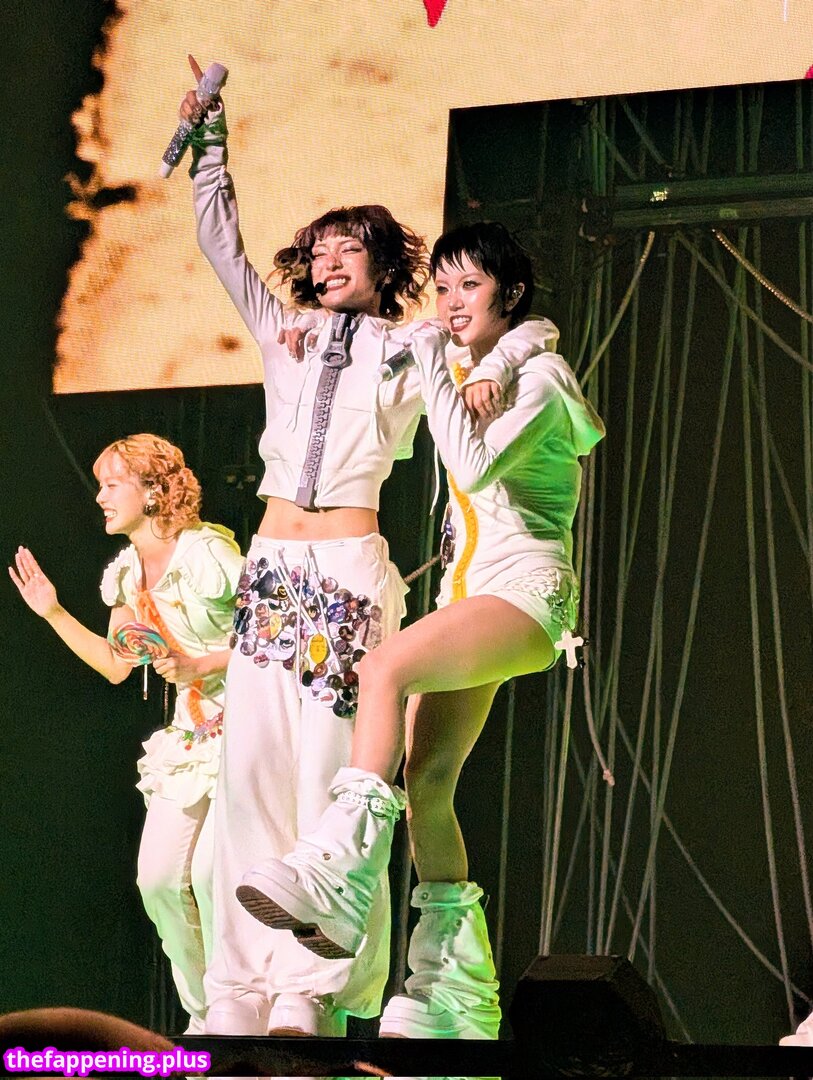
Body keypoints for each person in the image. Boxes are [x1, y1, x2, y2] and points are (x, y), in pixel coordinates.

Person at [236, 221, 605, 1040]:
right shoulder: (480, 364)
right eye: (440, 288)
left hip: (526, 593)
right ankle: (453, 992)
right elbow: (381, 350)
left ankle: (338, 870)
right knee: (427, 783)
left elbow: (472, 464)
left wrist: (452, 358)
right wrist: (310, 334)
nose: (448, 303)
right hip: (468, 593)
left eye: (469, 286)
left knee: (382, 668)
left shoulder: (541, 379)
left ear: (508, 294)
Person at [9, 434, 243, 1034]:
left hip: (249, 730)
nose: (100, 497)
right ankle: (206, 1018)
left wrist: (201, 664)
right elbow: (117, 664)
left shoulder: (209, 553)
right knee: (159, 880)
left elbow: (273, 641)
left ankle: (238, 1012)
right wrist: (53, 612)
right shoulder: (127, 573)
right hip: (192, 739)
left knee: (212, 877)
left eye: (113, 484)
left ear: (154, 490)